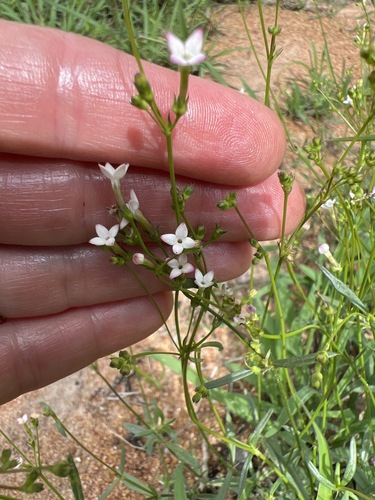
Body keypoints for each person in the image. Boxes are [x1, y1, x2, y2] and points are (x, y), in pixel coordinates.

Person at [0, 20, 305, 405]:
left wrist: (174, 251)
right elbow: (179, 259)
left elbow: (186, 259)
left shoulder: (182, 249)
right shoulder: (169, 248)